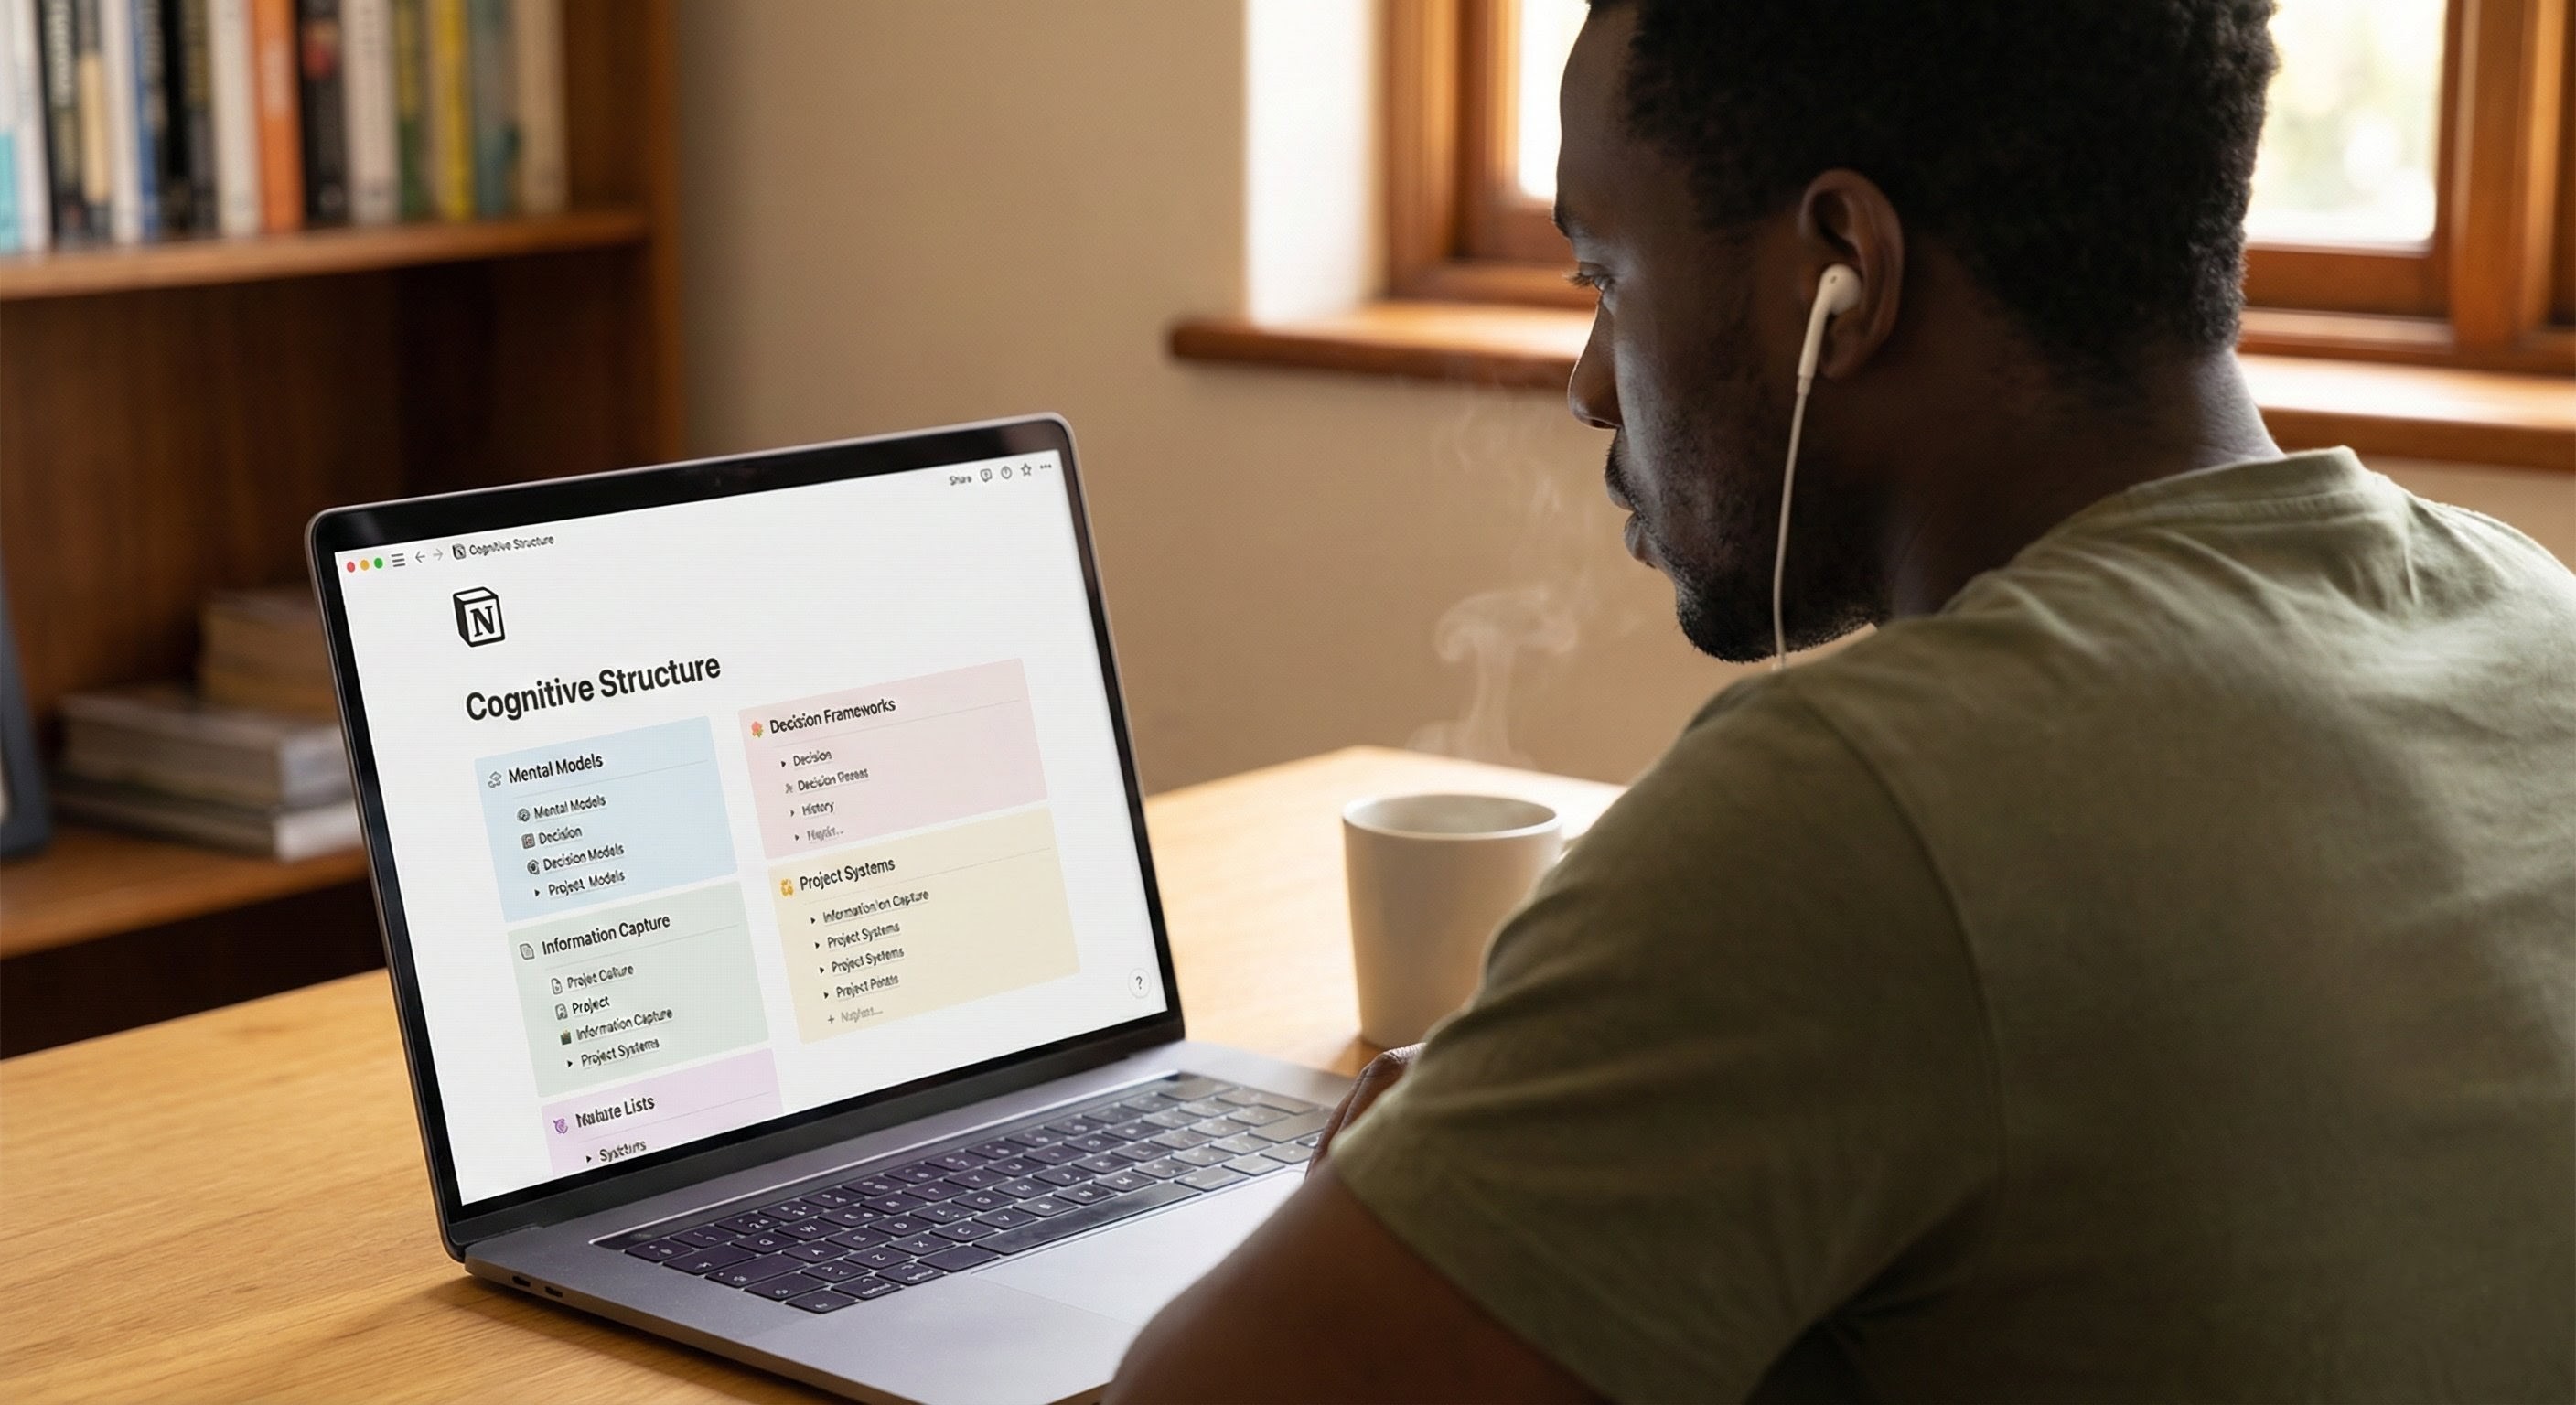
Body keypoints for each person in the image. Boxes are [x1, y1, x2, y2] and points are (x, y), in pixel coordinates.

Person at [1110, 0, 2576, 1399]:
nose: (1590, 386)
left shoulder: (1853, 807)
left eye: (1605, 278)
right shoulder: (2533, 617)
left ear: (1844, 272)